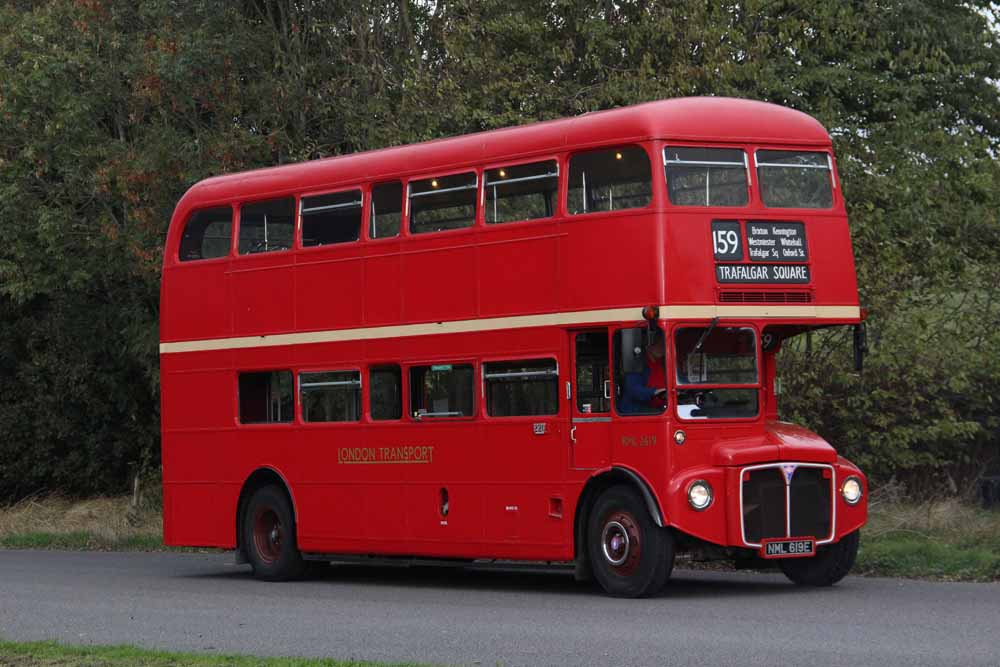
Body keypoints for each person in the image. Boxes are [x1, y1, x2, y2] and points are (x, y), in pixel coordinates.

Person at [619, 330, 667, 414]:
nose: (664, 347)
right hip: (634, 411)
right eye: (660, 344)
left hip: (658, 407)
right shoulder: (638, 363)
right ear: (649, 345)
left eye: (664, 344)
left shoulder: (662, 363)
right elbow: (633, 390)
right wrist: (654, 392)